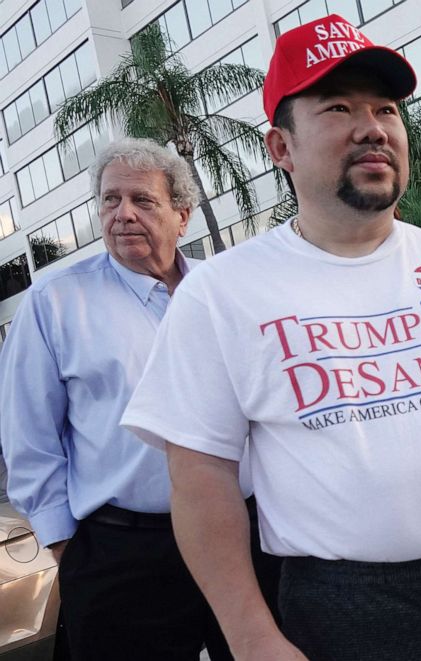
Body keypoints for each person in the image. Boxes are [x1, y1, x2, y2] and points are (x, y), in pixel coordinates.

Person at [121, 14, 421, 661]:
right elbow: (199, 476)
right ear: (281, 147)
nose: (372, 126)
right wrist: (251, 635)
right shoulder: (222, 293)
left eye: (385, 108)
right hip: (347, 608)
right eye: (337, 106)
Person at [0, 138, 278, 660]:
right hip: (123, 555)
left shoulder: (227, 292)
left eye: (142, 200)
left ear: (183, 215)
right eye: (110, 199)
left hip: (245, 536)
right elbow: (29, 443)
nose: (123, 213)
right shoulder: (54, 303)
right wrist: (71, 553)